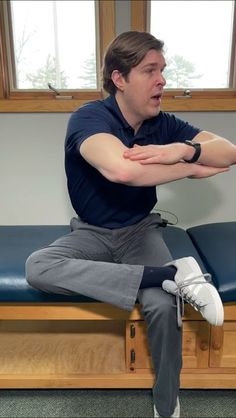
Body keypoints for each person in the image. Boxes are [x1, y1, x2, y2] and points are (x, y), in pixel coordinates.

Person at [25, 31, 236, 418]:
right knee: (38, 267)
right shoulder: (89, 118)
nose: (162, 81)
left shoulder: (163, 124)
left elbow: (229, 152)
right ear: (119, 79)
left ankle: (167, 404)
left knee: (161, 304)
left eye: (163, 71)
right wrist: (191, 167)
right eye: (150, 71)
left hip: (141, 231)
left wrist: (182, 149)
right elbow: (122, 171)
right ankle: (170, 274)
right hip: (91, 233)